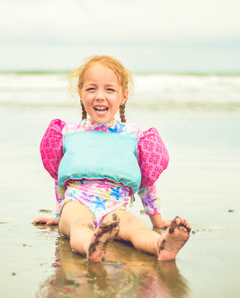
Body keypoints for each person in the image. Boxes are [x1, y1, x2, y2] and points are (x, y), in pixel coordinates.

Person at [33, 55, 190, 262]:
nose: (99, 96)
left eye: (109, 89)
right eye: (91, 89)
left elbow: (146, 182)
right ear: (80, 94)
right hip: (76, 203)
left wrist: (158, 220)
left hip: (116, 207)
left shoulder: (134, 136)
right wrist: (58, 214)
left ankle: (160, 245)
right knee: (80, 225)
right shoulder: (68, 132)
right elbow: (61, 176)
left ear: (123, 96)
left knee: (135, 227)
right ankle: (92, 246)